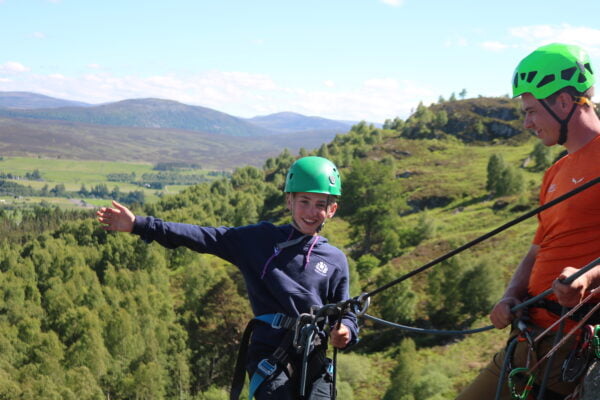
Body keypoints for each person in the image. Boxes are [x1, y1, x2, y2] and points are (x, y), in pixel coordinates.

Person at [97, 156, 358, 400]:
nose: (312, 212)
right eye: (304, 201)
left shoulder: (335, 260)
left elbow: (344, 312)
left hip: (313, 357)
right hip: (271, 355)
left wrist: (345, 331)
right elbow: (203, 237)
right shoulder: (260, 240)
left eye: (320, 205)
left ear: (332, 209)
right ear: (289, 201)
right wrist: (140, 225)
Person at [457, 43, 600, 399]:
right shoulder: (554, 173)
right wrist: (510, 295)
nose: (527, 123)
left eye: (532, 110)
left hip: (570, 347)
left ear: (564, 103)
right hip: (527, 339)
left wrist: (589, 276)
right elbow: (540, 246)